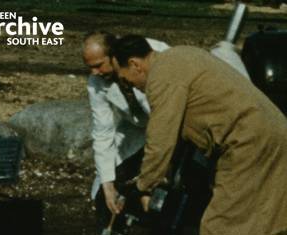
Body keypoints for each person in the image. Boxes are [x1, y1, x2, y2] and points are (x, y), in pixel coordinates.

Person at [111, 34, 287, 235]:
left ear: (134, 64)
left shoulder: (161, 76)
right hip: (275, 133)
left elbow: (161, 139)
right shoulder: (183, 54)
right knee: (268, 220)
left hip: (247, 143)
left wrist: (144, 185)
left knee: (220, 226)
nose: (131, 86)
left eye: (126, 80)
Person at [82, 31, 170, 232]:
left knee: (161, 194)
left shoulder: (147, 55)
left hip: (171, 128)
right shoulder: (97, 81)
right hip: (136, 129)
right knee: (105, 192)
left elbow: (167, 116)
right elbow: (102, 130)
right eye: (89, 67)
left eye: (98, 65)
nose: (94, 72)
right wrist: (107, 184)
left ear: (113, 55)